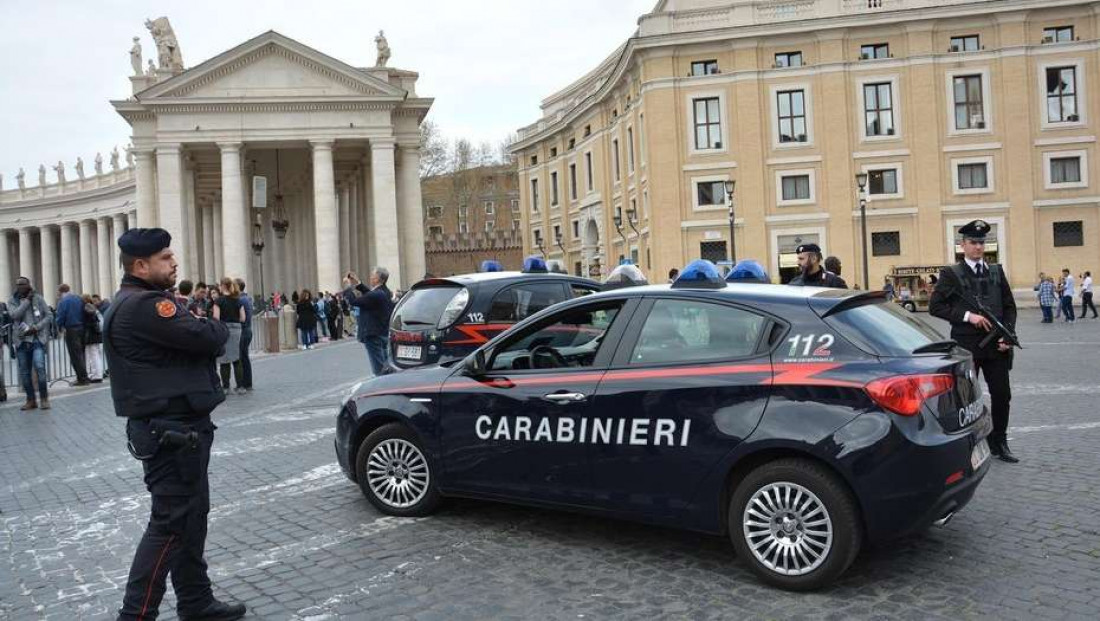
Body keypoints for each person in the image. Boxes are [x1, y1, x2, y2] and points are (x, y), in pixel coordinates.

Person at [104, 228, 245, 621]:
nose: (174, 262)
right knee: (170, 523)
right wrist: (208, 321)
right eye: (166, 258)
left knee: (191, 518)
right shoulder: (146, 306)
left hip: (177, 429)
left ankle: (196, 601)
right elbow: (210, 338)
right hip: (171, 432)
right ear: (141, 265)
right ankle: (135, 615)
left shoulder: (137, 301)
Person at [930, 220, 1019, 463]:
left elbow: (1010, 307)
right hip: (967, 346)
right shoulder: (951, 274)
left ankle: (999, 442)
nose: (978, 247)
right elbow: (935, 307)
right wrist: (969, 316)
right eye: (973, 243)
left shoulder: (996, 271)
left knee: (1002, 395)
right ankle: (965, 447)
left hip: (996, 347)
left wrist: (1006, 335)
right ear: (963, 245)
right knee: (964, 399)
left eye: (982, 242)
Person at [10, 277, 54, 410]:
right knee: (24, 372)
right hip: (21, 341)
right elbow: (15, 315)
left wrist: (37, 327)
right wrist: (27, 301)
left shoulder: (39, 298)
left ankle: (44, 398)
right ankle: (31, 400)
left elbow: (49, 316)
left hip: (36, 339)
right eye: (18, 285)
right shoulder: (12, 300)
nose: (20, 287)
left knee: (40, 368)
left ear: (29, 285)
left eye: (23, 284)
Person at [343, 267, 395, 375]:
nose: (370, 278)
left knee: (379, 368)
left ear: (377, 279)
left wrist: (348, 287)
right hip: (381, 333)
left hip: (373, 334)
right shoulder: (384, 291)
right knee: (385, 365)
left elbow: (354, 301)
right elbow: (369, 294)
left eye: (372, 276)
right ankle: (389, 384)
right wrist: (357, 282)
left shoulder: (376, 294)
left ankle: (382, 387)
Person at [211, 277, 246, 394]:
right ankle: (240, 387)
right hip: (236, 329)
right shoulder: (238, 300)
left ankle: (226, 387)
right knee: (236, 358)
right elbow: (243, 318)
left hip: (224, 329)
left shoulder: (218, 301)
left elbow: (216, 318)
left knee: (224, 359)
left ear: (222, 286)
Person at [56, 283, 91, 386]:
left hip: (71, 329)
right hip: (82, 328)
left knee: (75, 355)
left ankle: (82, 378)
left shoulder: (63, 302)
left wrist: (59, 326)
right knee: (81, 353)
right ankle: (83, 376)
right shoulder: (78, 298)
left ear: (60, 291)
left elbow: (60, 316)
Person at [82, 294, 105, 382]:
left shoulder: (87, 308)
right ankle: (97, 374)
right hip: (95, 334)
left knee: (93, 355)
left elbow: (89, 321)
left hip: (90, 335)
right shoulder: (94, 308)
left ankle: (96, 375)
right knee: (96, 355)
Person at [236, 279, 254, 391]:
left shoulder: (241, 300)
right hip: (247, 330)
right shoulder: (247, 298)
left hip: (243, 330)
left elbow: (242, 318)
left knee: (242, 358)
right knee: (245, 357)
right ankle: (248, 383)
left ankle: (244, 383)